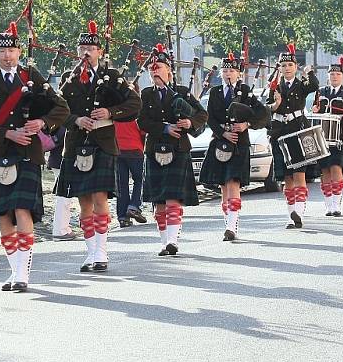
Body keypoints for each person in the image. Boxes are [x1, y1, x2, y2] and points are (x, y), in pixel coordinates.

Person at [0, 22, 69, 291]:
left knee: (21, 208)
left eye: (12, 51)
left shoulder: (31, 76)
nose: (7, 56)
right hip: (0, 153)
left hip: (27, 153)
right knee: (4, 213)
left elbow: (61, 108)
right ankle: (14, 270)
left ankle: (22, 274)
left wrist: (42, 123)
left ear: (18, 51)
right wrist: (6, 134)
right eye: (2, 52)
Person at [55, 21, 140, 271]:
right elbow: (57, 112)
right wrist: (76, 120)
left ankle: (101, 251)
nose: (86, 52)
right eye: (82, 47)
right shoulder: (68, 79)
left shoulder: (112, 77)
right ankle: (90, 252)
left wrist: (110, 113)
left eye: (90, 47)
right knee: (83, 202)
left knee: (100, 197)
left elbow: (135, 104)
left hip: (103, 144)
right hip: (76, 144)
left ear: (100, 51)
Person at [137, 45, 208, 256]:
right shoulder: (146, 94)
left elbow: (202, 115)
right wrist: (165, 128)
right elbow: (142, 121)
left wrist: (188, 122)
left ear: (168, 70)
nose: (154, 71)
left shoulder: (182, 93)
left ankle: (173, 241)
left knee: (172, 197)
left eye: (158, 67)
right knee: (159, 200)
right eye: (152, 68)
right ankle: (163, 242)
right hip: (154, 149)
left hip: (178, 149)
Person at [199, 52, 268, 241]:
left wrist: (247, 124)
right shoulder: (214, 92)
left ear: (238, 73)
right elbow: (210, 118)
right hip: (220, 141)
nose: (228, 73)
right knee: (223, 184)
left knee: (232, 181)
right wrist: (223, 133)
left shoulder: (245, 91)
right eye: (225, 70)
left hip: (239, 142)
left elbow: (262, 114)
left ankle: (232, 226)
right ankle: (228, 222)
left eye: (231, 70)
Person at [266, 44, 319, 229]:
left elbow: (314, 86)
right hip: (280, 132)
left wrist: (309, 72)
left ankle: (299, 211)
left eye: (290, 65)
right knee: (286, 177)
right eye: (283, 65)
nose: (287, 68)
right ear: (279, 68)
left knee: (299, 173)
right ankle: (291, 215)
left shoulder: (301, 84)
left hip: (298, 130)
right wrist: (275, 104)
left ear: (295, 67)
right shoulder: (274, 86)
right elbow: (266, 108)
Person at [313, 57, 343, 217]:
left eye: (337, 74)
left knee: (336, 167)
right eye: (332, 74)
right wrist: (316, 110)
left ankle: (336, 203)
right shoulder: (321, 92)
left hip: (340, 136)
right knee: (324, 169)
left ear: (342, 76)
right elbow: (314, 112)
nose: (334, 76)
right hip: (323, 137)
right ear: (328, 76)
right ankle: (328, 204)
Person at [114, 115, 147, 228]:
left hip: (118, 150)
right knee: (140, 180)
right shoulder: (136, 113)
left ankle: (123, 217)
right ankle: (134, 206)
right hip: (135, 150)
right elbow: (143, 132)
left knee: (121, 184)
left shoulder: (115, 113)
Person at [47, 125, 76, 240]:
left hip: (58, 161)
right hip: (61, 161)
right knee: (63, 197)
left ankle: (62, 228)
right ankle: (61, 230)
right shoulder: (63, 121)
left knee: (63, 197)